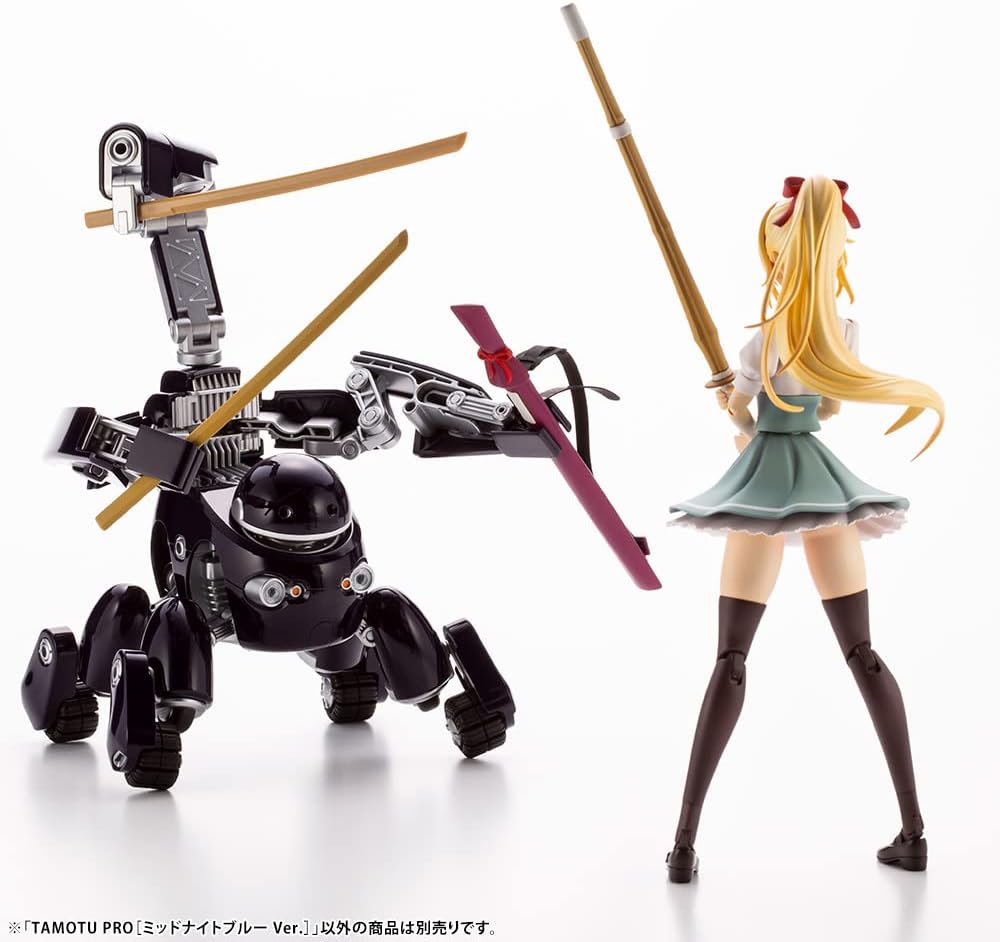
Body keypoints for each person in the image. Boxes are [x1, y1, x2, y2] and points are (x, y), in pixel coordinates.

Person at [665, 175, 944, 883]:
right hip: (821, 485)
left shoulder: (761, 341)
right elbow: (829, 409)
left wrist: (733, 404)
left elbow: (749, 423)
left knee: (732, 658)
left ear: (778, 246)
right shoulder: (841, 333)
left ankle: (684, 846)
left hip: (765, 487)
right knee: (863, 652)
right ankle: (914, 832)